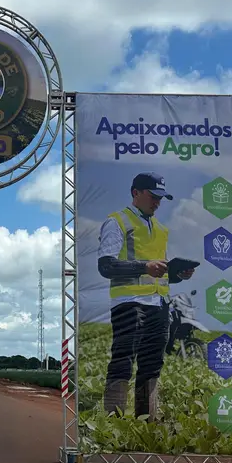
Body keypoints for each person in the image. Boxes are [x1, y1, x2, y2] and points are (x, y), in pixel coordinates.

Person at [96, 172, 195, 421]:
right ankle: (112, 422)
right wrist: (144, 266)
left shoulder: (161, 229)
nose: (157, 203)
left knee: (152, 365)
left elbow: (156, 273)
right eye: (153, 196)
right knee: (123, 360)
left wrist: (178, 275)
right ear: (135, 193)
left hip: (158, 305)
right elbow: (106, 266)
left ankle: (147, 421)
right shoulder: (117, 222)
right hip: (128, 303)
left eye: (161, 198)